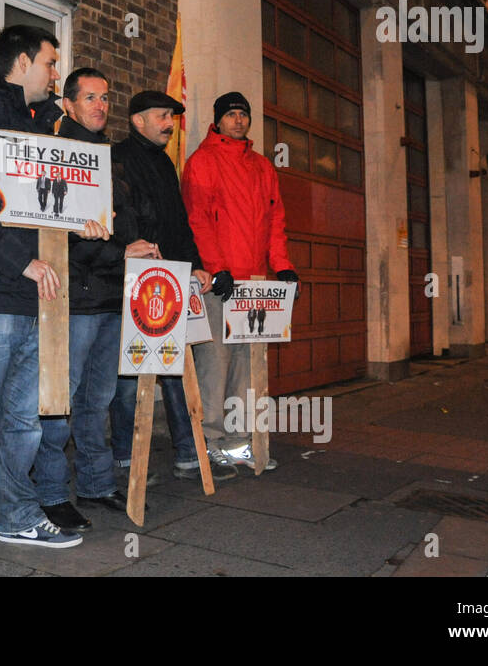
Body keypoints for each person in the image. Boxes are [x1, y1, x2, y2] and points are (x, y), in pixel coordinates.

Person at [0, 25, 108, 574]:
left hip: (36, 290)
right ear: (20, 63)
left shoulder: (34, 124)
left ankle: (16, 513)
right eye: (51, 63)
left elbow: (38, 208)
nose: (57, 74)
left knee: (24, 420)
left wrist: (78, 228)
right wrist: (20, 260)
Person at [33, 69, 155, 530]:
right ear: (67, 104)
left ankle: (96, 483)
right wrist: (120, 249)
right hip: (74, 295)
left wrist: (128, 244)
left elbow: (120, 222)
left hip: (109, 295)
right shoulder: (55, 151)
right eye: (89, 97)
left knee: (98, 398)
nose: (100, 106)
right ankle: (49, 494)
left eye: (105, 98)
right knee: (60, 401)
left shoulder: (107, 156)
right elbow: (60, 232)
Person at [108, 91, 224, 482]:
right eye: (162, 116)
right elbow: (117, 220)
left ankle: (189, 454)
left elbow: (178, 222)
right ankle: (124, 458)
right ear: (138, 120)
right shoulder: (117, 158)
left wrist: (197, 266)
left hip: (170, 280)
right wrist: (129, 252)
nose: (169, 123)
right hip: (133, 282)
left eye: (171, 117)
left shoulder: (164, 163)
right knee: (128, 375)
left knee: (176, 368)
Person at [182, 91, 299, 473]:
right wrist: (217, 269)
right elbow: (197, 219)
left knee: (248, 366)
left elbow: (275, 222)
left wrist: (282, 266)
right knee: (216, 362)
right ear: (218, 120)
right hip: (221, 284)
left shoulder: (263, 167)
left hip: (253, 284)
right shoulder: (202, 162)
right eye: (231, 114)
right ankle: (210, 441)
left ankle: (238, 441)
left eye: (243, 114)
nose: (238, 120)